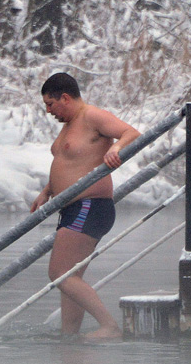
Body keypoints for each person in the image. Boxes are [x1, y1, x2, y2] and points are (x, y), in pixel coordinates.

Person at [33, 72, 140, 339]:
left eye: (50, 104)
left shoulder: (92, 116)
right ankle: (70, 336)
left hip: (89, 206)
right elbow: (68, 162)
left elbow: (132, 133)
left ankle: (109, 327)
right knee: (70, 279)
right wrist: (48, 190)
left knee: (59, 273)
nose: (48, 111)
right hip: (71, 209)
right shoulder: (69, 125)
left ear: (65, 98)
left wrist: (116, 149)